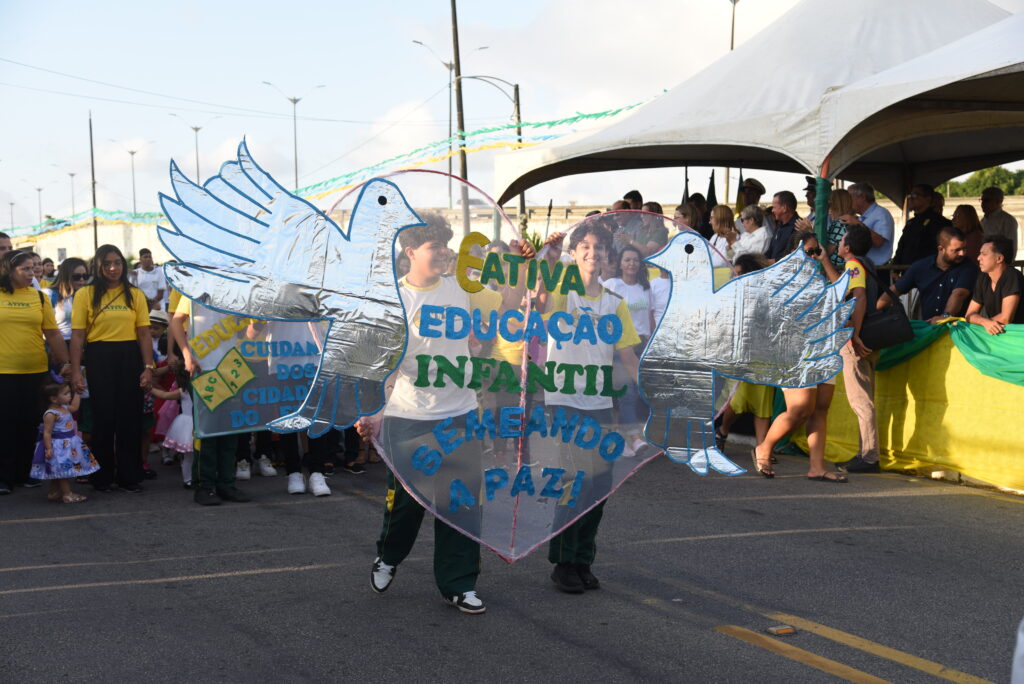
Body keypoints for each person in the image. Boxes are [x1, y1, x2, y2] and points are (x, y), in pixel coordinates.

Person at [357, 213, 532, 614]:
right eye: (435, 246)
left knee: (464, 500)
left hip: (461, 412)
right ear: (411, 251)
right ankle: (388, 555)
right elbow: (380, 364)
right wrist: (375, 413)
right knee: (407, 501)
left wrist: (521, 266)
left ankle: (459, 583)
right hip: (409, 416)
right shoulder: (395, 300)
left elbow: (507, 301)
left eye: (445, 245)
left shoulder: (461, 288)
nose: (444, 253)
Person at [538, 221, 643, 593]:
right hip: (564, 400)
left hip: (600, 402)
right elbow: (538, 302)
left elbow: (627, 354)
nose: (592, 252)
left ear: (606, 257)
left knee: (598, 483)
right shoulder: (563, 293)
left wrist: (650, 394)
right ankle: (562, 562)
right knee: (575, 480)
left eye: (599, 248)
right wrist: (544, 255)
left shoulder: (615, 304)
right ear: (573, 253)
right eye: (584, 246)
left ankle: (582, 559)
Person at [750, 232, 848, 483]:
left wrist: (825, 261)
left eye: (816, 251)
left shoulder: (820, 275)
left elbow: (842, 295)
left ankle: (816, 467)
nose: (813, 256)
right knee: (800, 406)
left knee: (820, 408)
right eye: (809, 251)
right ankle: (764, 447)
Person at [70, 244, 154, 493]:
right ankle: (101, 476)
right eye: (107, 263)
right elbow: (77, 337)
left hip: (130, 356)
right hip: (99, 356)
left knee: (130, 417)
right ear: (98, 266)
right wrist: (75, 371)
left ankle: (130, 475)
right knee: (103, 418)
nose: (113, 268)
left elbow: (144, 333)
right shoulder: (85, 294)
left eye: (117, 262)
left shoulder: (135, 294)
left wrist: (148, 367)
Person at [0, 250, 70, 494]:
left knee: (29, 423)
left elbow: (52, 333)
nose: (32, 273)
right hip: (3, 371)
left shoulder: (39, 297)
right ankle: (4, 477)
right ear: (10, 270)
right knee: (5, 424)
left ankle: (23, 473)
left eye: (33, 268)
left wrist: (66, 363)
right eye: (26, 269)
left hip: (35, 369)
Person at [169, 296, 250, 505]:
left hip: (232, 366)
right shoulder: (194, 290)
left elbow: (247, 330)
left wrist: (257, 325)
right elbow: (177, 321)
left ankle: (226, 483)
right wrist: (186, 355)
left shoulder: (236, 289)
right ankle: (204, 486)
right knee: (207, 431)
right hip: (204, 368)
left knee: (230, 430)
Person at [827, 226, 882, 474]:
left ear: (847, 247)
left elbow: (858, 296)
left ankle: (870, 456)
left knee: (861, 400)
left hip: (854, 340)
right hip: (870, 337)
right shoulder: (865, 264)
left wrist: (854, 334)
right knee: (863, 398)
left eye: (842, 241)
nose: (839, 244)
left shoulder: (853, 266)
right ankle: (864, 453)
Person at [602, 245, 660, 456]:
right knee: (627, 393)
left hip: (642, 345)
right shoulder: (611, 285)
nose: (631, 264)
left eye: (635, 260)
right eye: (627, 260)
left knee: (641, 393)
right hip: (620, 346)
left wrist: (653, 341)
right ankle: (635, 438)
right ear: (620, 263)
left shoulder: (646, 287)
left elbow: (650, 317)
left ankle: (626, 436)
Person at [715, 253, 774, 450]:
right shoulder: (733, 294)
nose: (735, 275)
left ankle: (762, 451)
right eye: (734, 272)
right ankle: (723, 430)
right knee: (738, 402)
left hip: (764, 356)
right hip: (741, 355)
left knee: (763, 405)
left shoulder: (767, 293)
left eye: (739, 272)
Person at [878, 226, 977, 322]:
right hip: (929, 327)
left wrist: (945, 317)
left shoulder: (968, 268)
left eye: (964, 248)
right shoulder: (921, 267)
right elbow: (894, 290)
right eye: (957, 250)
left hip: (959, 328)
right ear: (941, 249)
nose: (962, 253)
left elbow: (959, 294)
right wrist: (876, 312)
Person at [31, 380, 98, 503]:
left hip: (69, 443)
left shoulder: (64, 407)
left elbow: (75, 407)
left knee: (59, 471)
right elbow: (47, 432)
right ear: (54, 399)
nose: (69, 395)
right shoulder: (51, 414)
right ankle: (67, 494)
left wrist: (78, 393)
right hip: (59, 446)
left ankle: (53, 492)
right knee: (63, 472)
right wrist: (49, 448)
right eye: (66, 394)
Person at [964, 235, 1024, 333]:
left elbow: (1006, 318)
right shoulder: (983, 278)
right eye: (980, 254)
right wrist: (984, 322)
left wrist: (985, 323)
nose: (979, 258)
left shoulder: (1011, 275)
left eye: (984, 254)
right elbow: (969, 315)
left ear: (999, 258)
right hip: (999, 333)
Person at [152, 366, 195, 489]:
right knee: (192, 455)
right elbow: (165, 395)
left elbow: (165, 395)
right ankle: (189, 479)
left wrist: (150, 388)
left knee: (189, 456)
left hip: (188, 423)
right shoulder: (184, 391)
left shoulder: (184, 390)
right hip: (190, 425)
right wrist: (150, 388)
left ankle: (189, 479)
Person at [893, 184, 951, 266]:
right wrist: (895, 267)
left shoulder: (939, 222)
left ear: (928, 199)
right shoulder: (911, 223)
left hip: (928, 272)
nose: (910, 198)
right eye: (910, 195)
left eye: (915, 195)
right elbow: (901, 248)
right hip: (907, 272)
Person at [846, 182, 895, 267]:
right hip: (865, 267)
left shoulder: (881, 214)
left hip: (878, 270)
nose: (848, 202)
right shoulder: (862, 217)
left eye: (850, 197)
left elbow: (879, 242)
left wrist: (858, 224)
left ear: (862, 197)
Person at [44, 257, 89, 342]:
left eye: (85, 276)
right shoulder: (49, 294)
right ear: (66, 276)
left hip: (82, 343)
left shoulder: (87, 294)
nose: (82, 279)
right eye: (76, 277)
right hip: (57, 344)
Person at [980, 186, 1019, 259]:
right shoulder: (983, 220)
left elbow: (1011, 249)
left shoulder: (1008, 220)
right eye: (981, 200)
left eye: (986, 200)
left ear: (998, 201)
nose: (982, 204)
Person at [764, 191, 800, 262]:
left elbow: (791, 255)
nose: (772, 210)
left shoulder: (798, 226)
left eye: (774, 207)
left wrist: (768, 263)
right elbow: (770, 250)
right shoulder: (779, 225)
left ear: (784, 208)